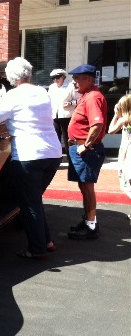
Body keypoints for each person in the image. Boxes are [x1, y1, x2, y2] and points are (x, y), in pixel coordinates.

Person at [0, 57, 63, 259]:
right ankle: (47, 241)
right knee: (34, 199)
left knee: (28, 204)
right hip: (53, 153)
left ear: (11, 77)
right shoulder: (42, 92)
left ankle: (37, 249)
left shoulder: (14, 96)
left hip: (28, 155)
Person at [66, 64, 107, 240]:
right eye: (74, 78)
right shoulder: (87, 96)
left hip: (87, 150)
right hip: (81, 148)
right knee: (84, 186)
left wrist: (86, 145)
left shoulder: (92, 97)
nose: (74, 81)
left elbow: (97, 124)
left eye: (78, 78)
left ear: (89, 80)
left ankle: (91, 226)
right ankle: (89, 221)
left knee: (87, 187)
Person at [48, 68, 79, 154]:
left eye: (57, 77)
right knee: (55, 139)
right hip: (54, 116)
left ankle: (70, 158)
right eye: (53, 78)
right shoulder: (52, 87)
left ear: (63, 77)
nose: (55, 80)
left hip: (66, 116)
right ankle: (57, 157)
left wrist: (70, 103)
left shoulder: (71, 86)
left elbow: (79, 99)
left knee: (67, 139)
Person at [108, 94, 131, 204]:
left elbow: (111, 131)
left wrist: (115, 115)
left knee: (126, 180)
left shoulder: (124, 120)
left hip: (127, 152)